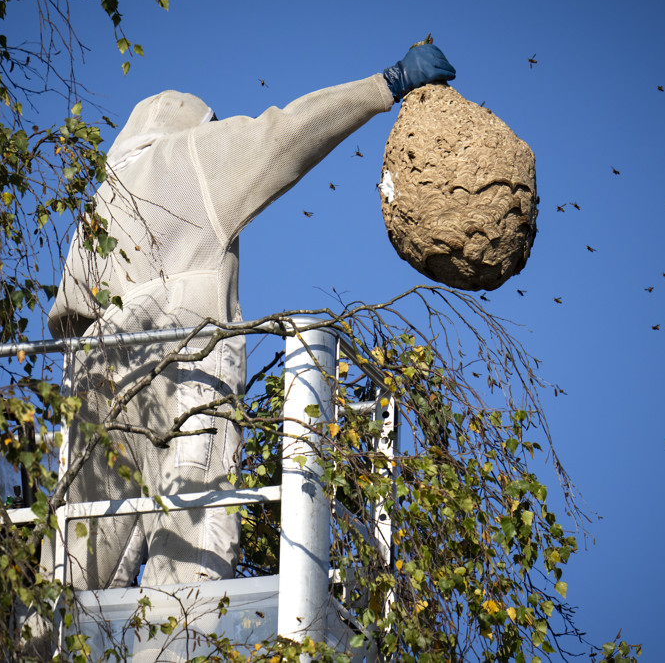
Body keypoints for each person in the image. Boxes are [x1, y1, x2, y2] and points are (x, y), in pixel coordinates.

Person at [47, 44, 456, 591]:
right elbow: (284, 136)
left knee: (77, 563)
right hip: (184, 372)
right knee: (192, 548)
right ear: (196, 125)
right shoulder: (192, 155)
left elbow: (68, 316)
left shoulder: (100, 201)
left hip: (93, 380)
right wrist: (386, 85)